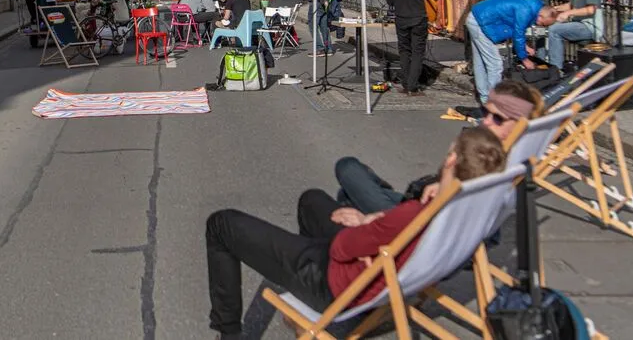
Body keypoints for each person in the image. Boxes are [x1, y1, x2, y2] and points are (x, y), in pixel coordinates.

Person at [204, 126, 507, 339]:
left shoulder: (414, 213)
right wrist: (374, 223)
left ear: (452, 160)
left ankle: (229, 331)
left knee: (221, 224)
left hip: (337, 281)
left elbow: (341, 249)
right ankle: (303, 291)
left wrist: (365, 223)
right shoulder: (467, 214)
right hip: (378, 275)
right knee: (312, 200)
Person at [334, 80, 542, 214]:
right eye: (484, 113)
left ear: (519, 123)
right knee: (348, 192)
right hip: (419, 205)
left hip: (412, 224)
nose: (486, 122)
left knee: (347, 170)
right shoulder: (511, 154)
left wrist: (446, 188)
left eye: (498, 118)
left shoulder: (492, 158)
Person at [465, 0, 557, 103]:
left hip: (478, 17)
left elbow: (515, 27)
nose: (541, 26)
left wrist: (525, 47)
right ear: (541, 15)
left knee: (480, 61)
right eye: (543, 24)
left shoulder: (532, 5)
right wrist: (524, 59)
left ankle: (485, 98)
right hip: (481, 22)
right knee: (495, 64)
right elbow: (518, 33)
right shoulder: (526, 11)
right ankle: (494, 102)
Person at [384, 0, 442, 96]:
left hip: (401, 18)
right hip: (418, 18)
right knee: (417, 52)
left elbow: (389, 1)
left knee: (404, 51)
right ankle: (412, 86)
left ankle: (405, 85)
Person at [546, 0, 601, 70]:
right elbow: (571, 5)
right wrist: (554, 9)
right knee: (547, 27)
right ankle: (544, 63)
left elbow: (591, 9)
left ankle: (556, 69)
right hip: (580, 24)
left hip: (589, 26)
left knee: (554, 30)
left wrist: (568, 13)